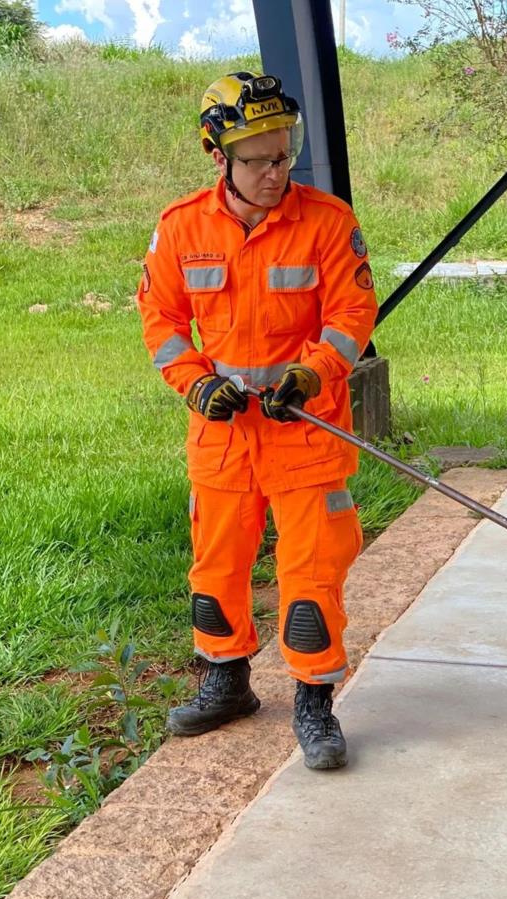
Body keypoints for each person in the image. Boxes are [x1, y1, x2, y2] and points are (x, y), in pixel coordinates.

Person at [139, 71, 378, 769]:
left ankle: (313, 702)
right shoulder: (181, 228)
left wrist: (311, 375)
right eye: (259, 160)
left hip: (305, 433)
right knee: (217, 570)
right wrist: (194, 384)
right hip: (222, 438)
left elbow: (350, 316)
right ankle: (227, 681)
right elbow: (160, 317)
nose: (276, 172)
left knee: (310, 575)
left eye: (284, 155)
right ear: (218, 156)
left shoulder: (328, 223)